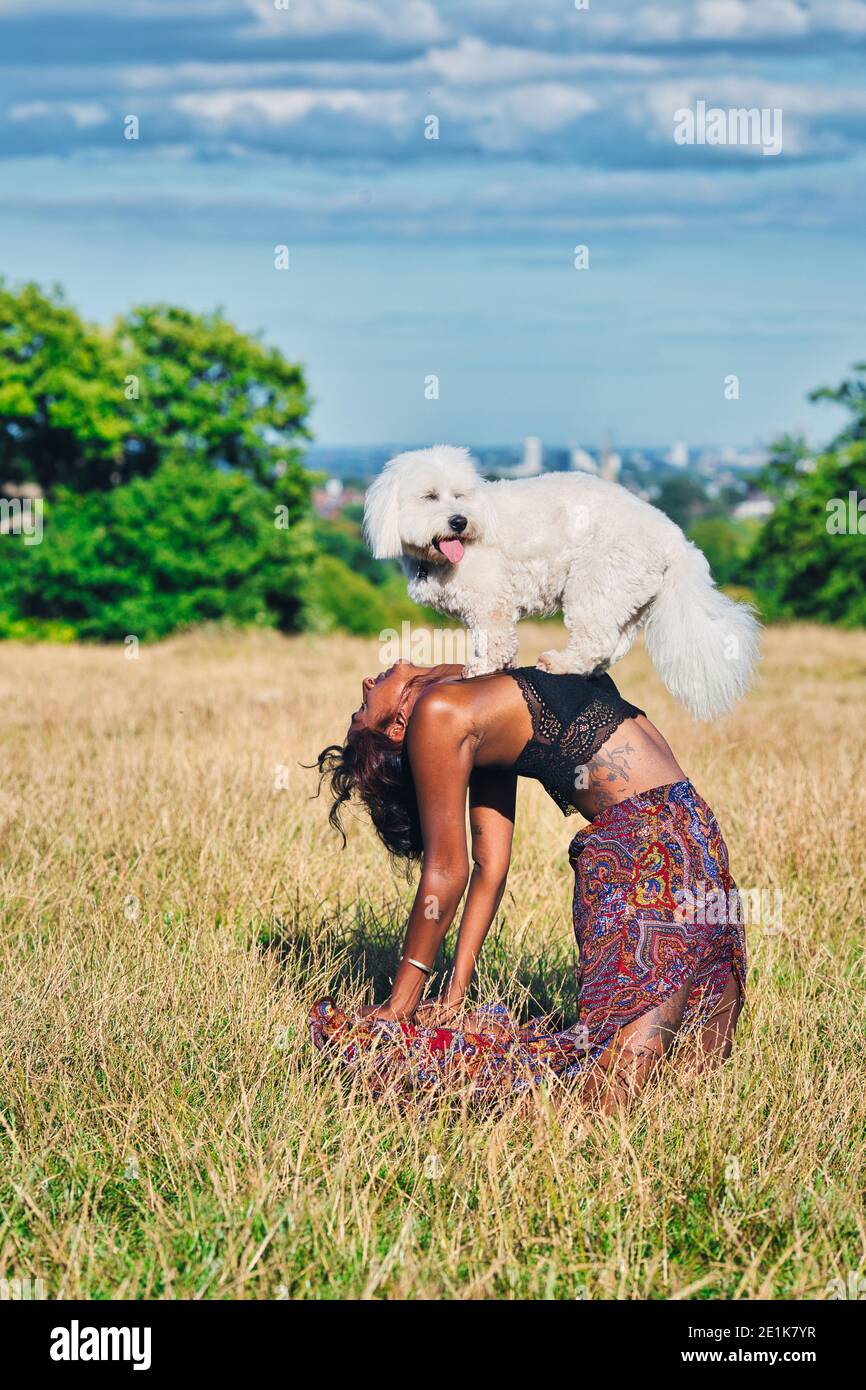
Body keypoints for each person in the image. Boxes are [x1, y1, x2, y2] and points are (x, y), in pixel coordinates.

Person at [310, 660, 746, 1109]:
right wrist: (402, 1001)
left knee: (687, 1084)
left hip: (690, 851)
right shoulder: (438, 711)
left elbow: (490, 867)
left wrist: (457, 991)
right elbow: (451, 869)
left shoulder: (474, 690)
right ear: (399, 726)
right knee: (611, 1101)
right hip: (648, 860)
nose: (367, 680)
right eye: (364, 705)